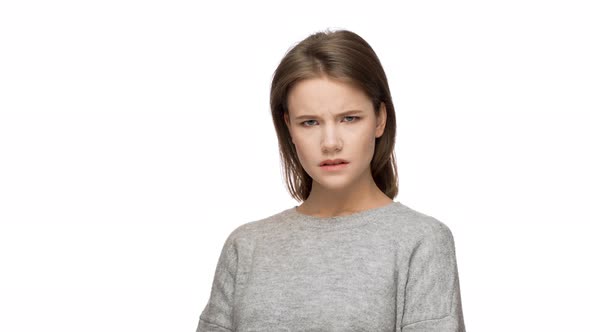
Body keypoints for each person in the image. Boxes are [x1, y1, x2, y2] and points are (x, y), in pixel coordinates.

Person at [196, 29, 466, 332]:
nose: (330, 142)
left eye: (349, 118)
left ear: (380, 119)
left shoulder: (421, 241)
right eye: (310, 122)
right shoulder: (245, 246)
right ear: (289, 127)